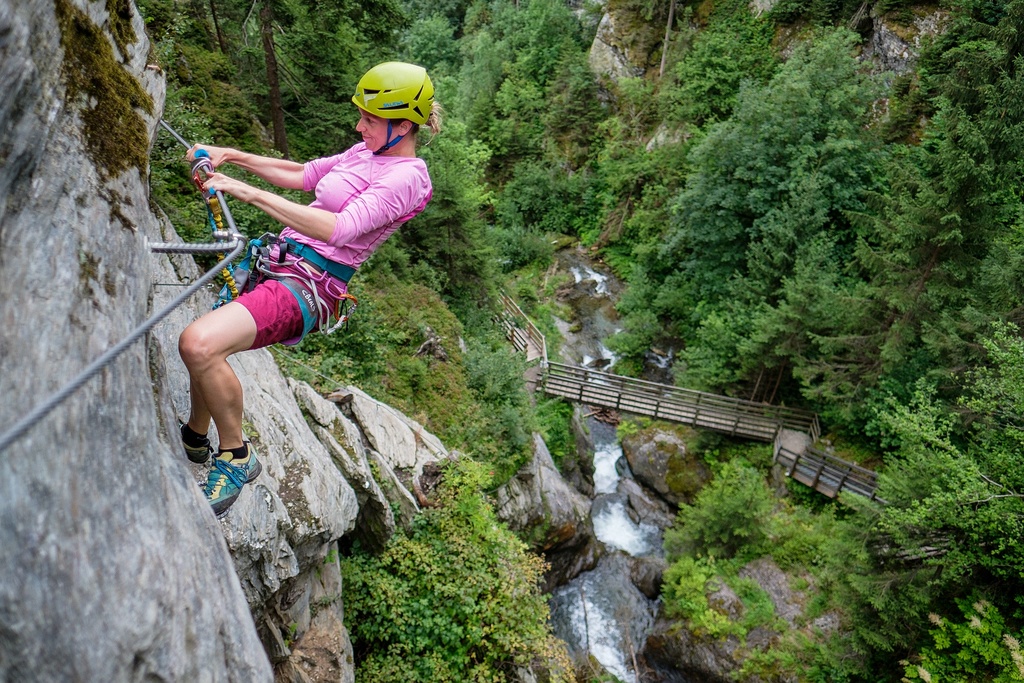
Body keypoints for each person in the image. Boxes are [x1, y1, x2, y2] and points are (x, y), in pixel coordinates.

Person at [178, 61, 441, 516]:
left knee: (199, 344)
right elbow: (303, 174)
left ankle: (236, 455)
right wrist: (231, 155)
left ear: (404, 125)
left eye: (370, 120)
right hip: (279, 263)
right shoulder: (365, 152)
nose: (359, 126)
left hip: (311, 286)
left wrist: (247, 192)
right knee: (207, 342)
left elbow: (339, 228)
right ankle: (197, 436)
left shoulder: (407, 178)